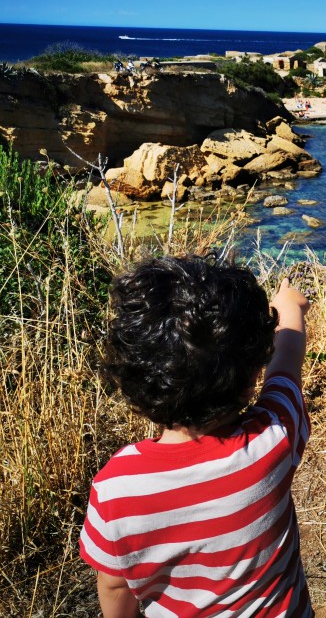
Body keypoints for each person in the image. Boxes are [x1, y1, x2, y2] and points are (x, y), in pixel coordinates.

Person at [79, 256, 313, 617]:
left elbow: (114, 586)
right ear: (251, 376)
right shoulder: (275, 438)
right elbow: (287, 363)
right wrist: (290, 309)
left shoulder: (116, 489)